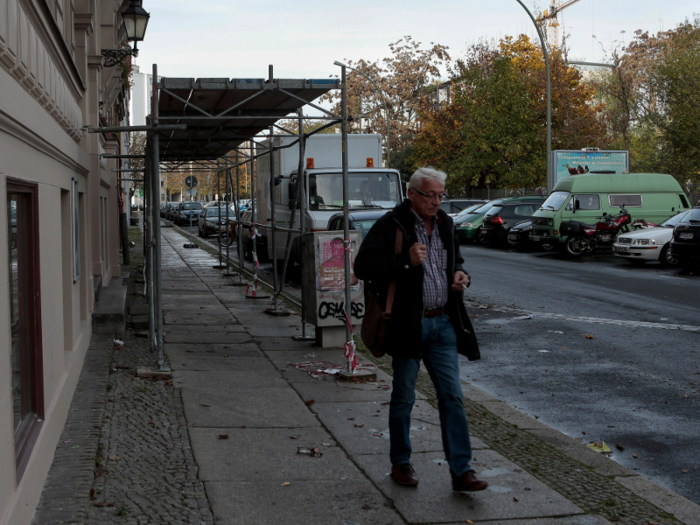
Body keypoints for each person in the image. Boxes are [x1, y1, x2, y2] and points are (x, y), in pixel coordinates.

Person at [354, 167, 487, 494]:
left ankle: (462, 471)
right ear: (412, 194)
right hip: (407, 325)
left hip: (443, 323)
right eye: (430, 195)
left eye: (441, 195)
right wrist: (404, 261)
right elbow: (363, 266)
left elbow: (456, 260)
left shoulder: (446, 224)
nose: (437, 202)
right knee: (404, 398)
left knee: (452, 397)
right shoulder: (391, 224)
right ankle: (401, 463)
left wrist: (460, 274)